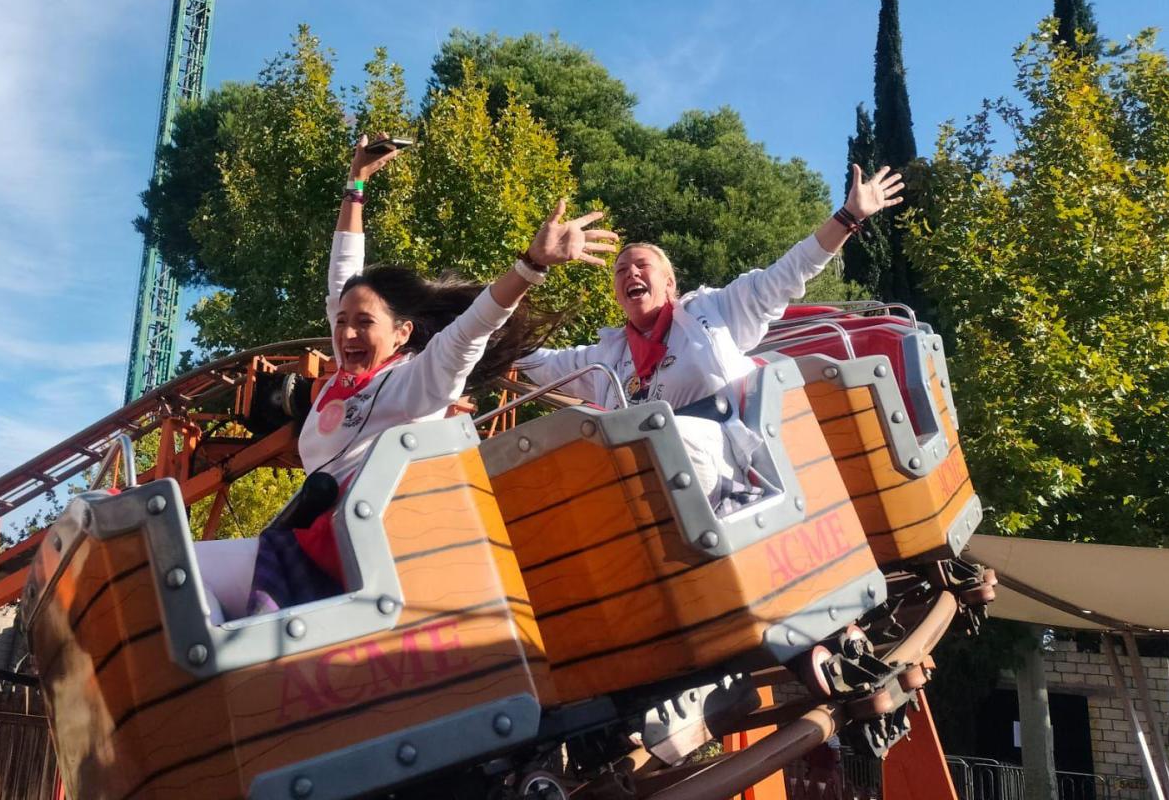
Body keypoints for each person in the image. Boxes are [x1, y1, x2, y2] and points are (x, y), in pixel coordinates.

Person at [193, 135, 617, 623]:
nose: (347, 332)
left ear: (402, 334)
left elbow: (469, 330)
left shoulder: (414, 384)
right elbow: (343, 278)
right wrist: (356, 182)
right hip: (316, 544)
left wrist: (531, 265)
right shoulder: (346, 374)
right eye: (341, 322)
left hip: (353, 555)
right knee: (180, 585)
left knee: (179, 576)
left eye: (364, 323)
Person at [515, 163, 904, 511]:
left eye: (641, 265)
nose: (629, 273)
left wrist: (849, 217)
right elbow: (534, 360)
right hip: (640, 485)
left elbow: (789, 272)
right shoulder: (608, 357)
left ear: (669, 283)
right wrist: (520, 276)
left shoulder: (712, 312)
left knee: (661, 439)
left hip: (724, 463)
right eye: (620, 270)